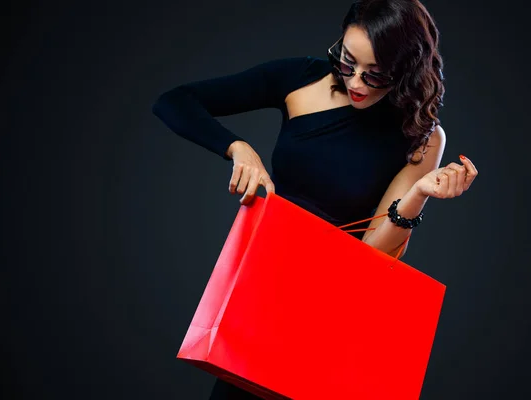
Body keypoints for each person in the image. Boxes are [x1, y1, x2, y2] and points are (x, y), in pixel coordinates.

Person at [152, 0, 478, 398]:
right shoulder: (301, 78)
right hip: (265, 292)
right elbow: (174, 101)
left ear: (405, 70)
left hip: (338, 309)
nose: (356, 82)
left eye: (376, 75)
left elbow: (371, 254)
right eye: (346, 61)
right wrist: (237, 148)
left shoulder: (423, 135)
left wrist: (417, 194)